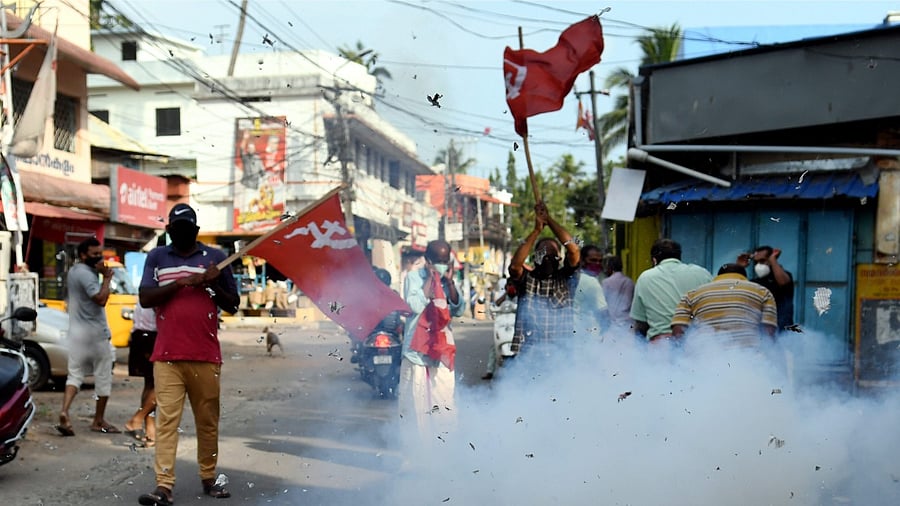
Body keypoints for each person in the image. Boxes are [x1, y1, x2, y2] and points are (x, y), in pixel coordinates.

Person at [137, 203, 239, 506]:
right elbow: (145, 298)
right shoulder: (156, 257)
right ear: (169, 231)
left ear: (195, 231)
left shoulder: (216, 259)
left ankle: (209, 479)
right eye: (176, 230)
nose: (181, 235)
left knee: (207, 421)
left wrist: (213, 283)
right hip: (167, 355)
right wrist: (180, 283)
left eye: (187, 230)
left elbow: (232, 304)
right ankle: (164, 486)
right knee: (167, 420)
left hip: (205, 355)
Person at [399, 239, 464, 440]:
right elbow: (415, 305)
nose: (442, 264)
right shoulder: (413, 277)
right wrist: (431, 279)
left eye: (445, 260)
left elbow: (458, 308)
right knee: (414, 407)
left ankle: (445, 452)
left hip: (441, 350)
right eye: (438, 260)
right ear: (428, 260)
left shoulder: (449, 280)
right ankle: (416, 456)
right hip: (416, 351)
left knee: (444, 404)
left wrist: (450, 282)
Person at [55, 237, 119, 437]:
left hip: (77, 333)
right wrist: (107, 278)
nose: (99, 257)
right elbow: (100, 299)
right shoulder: (88, 275)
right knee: (103, 377)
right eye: (94, 254)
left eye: (100, 253)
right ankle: (98, 420)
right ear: (83, 255)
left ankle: (64, 412)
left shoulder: (74, 271)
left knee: (74, 375)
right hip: (96, 335)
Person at [508, 201, 580, 356]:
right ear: (535, 258)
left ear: (559, 259)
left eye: (552, 255)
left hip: (559, 357)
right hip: (528, 356)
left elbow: (573, 249)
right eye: (543, 255)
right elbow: (515, 266)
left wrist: (549, 220)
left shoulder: (565, 279)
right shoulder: (526, 280)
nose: (547, 259)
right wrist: (536, 231)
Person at [671, 263, 778, 349]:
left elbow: (678, 331)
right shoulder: (762, 292)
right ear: (744, 277)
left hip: (705, 357)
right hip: (749, 357)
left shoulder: (693, 294)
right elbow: (768, 333)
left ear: (718, 276)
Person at [630, 238, 712, 342]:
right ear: (679, 257)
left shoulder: (645, 278)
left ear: (654, 260)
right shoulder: (702, 274)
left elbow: (641, 324)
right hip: (697, 343)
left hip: (661, 344)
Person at [124, 302, 158, 447]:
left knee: (150, 384)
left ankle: (150, 433)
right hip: (153, 335)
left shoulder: (148, 284)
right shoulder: (162, 285)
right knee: (163, 384)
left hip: (140, 334)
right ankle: (137, 419)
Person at [738, 246, 795, 332]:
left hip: (783, 330)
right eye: (756, 262)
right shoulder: (754, 282)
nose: (758, 265)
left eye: (762, 261)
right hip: (761, 331)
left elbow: (783, 282)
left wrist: (772, 259)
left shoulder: (783, 276)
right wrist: (740, 266)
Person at [572, 244, 608, 338]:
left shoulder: (573, 277)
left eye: (600, 261)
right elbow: (604, 315)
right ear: (582, 260)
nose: (597, 264)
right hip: (588, 338)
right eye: (593, 260)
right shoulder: (591, 282)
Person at [601, 255, 635, 332]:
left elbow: (603, 304)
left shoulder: (606, 282)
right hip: (627, 324)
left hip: (611, 324)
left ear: (610, 267)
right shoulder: (630, 282)